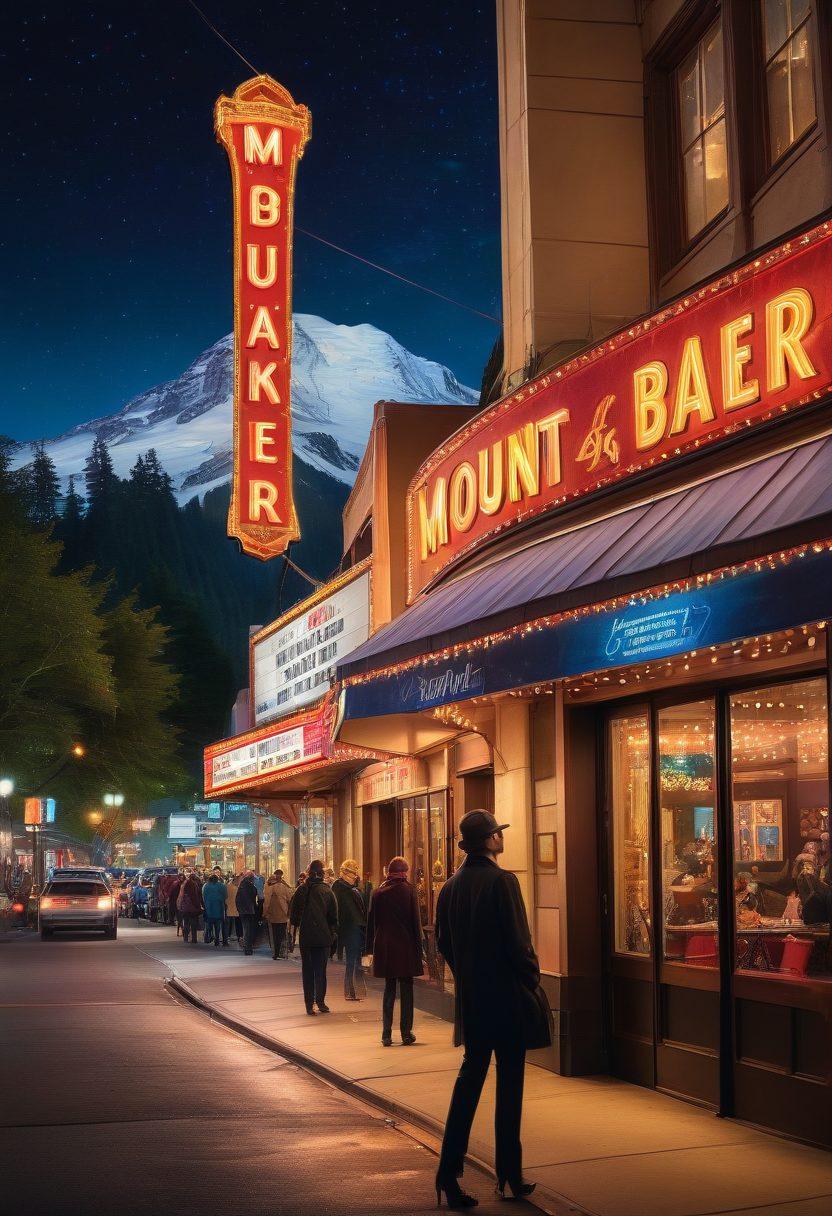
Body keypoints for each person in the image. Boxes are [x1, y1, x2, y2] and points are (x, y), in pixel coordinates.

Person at [435, 811, 552, 1209]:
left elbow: (442, 944)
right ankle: (509, 1176)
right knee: (510, 1087)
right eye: (498, 833)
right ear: (489, 841)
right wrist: (531, 979)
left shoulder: (450, 887)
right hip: (507, 999)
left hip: (474, 1001)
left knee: (467, 1085)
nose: (501, 838)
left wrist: (467, 978)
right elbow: (520, 943)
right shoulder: (503, 881)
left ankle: (448, 1174)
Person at [365, 857, 422, 1044]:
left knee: (389, 990)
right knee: (407, 991)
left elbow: (371, 923)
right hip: (405, 947)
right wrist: (419, 951)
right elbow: (415, 924)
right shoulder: (410, 891)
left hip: (385, 946)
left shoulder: (378, 893)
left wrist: (368, 950)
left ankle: (386, 1034)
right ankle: (406, 1033)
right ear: (404, 871)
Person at [289, 859, 338, 1014]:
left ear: (308, 872)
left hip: (307, 936)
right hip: (323, 937)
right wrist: (333, 933)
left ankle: (309, 1004)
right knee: (321, 971)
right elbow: (334, 917)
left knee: (308, 970)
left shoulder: (301, 890)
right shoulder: (327, 890)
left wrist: (295, 929)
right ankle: (321, 1001)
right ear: (322, 873)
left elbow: (294, 915)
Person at [332, 859, 367, 999]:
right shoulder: (340, 888)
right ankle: (351, 991)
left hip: (357, 929)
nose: (355, 876)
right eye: (353, 873)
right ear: (345, 873)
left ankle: (356, 990)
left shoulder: (352, 889)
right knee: (352, 961)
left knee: (356, 961)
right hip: (349, 929)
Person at [263, 868, 293, 959]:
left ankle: (275, 953)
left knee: (274, 934)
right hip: (283, 913)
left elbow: (266, 901)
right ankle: (282, 952)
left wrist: (264, 913)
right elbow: (290, 898)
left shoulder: (268, 887)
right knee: (282, 934)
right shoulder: (285, 886)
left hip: (273, 913)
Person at [235, 870, 260, 955]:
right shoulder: (252, 887)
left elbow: (237, 899)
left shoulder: (241, 886)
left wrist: (239, 909)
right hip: (250, 910)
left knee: (246, 929)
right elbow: (255, 897)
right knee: (249, 929)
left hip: (243, 911)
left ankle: (247, 947)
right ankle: (248, 947)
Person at [202, 872, 228, 947]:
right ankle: (217, 939)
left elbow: (203, 896)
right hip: (219, 908)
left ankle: (209, 937)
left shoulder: (205, 886)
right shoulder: (222, 886)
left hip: (208, 908)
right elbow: (226, 896)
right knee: (218, 925)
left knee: (209, 924)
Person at [177, 869, 203, 944]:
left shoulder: (184, 884)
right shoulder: (194, 885)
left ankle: (185, 938)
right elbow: (197, 897)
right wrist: (199, 906)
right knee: (193, 923)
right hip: (193, 908)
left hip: (185, 907)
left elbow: (181, 896)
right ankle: (194, 939)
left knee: (186, 922)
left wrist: (180, 905)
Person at [226, 873, 242, 945]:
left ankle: (228, 936)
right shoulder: (236, 887)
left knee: (230, 923)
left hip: (231, 908)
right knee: (235, 923)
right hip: (235, 908)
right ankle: (236, 936)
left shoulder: (228, 886)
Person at [168, 870, 184, 934]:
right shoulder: (179, 883)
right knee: (179, 915)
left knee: (179, 915)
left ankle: (180, 928)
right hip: (177, 901)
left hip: (177, 901)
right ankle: (181, 928)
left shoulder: (176, 883)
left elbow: (170, 892)